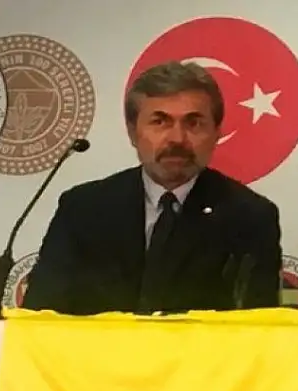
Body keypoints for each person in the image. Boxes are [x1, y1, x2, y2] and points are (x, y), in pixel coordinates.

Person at [22, 61, 283, 315]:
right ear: (132, 132)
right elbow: (41, 313)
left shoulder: (249, 217)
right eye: (160, 122)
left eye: (194, 123)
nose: (177, 139)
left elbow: (257, 324)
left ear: (216, 133)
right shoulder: (83, 209)